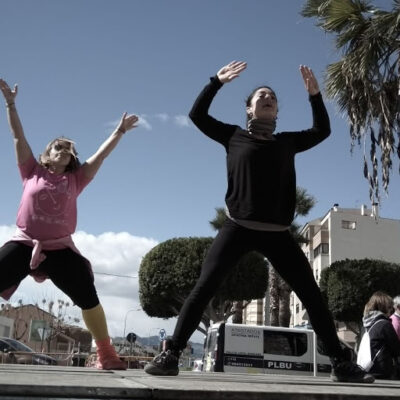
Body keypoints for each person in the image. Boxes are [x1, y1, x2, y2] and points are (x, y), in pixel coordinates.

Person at [144, 61, 374, 383]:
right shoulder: (232, 136)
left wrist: (315, 96)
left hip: (278, 234)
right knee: (204, 287)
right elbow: (197, 116)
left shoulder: (287, 143)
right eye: (261, 96)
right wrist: (215, 82)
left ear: (276, 112)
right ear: (249, 109)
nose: (268, 98)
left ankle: (339, 362)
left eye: (273, 98)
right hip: (237, 227)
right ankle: (171, 354)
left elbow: (322, 130)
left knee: (311, 294)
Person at [0, 78, 138, 370]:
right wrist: (11, 104)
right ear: (46, 155)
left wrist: (119, 131)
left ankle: (106, 355)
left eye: (68, 149)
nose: (63, 150)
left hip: (60, 248)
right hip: (24, 242)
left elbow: (100, 156)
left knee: (88, 296)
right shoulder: (31, 171)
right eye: (57, 147)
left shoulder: (77, 179)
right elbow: (17, 137)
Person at [360, 291, 400, 379]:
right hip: (382, 371)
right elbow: (397, 349)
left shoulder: (366, 324)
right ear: (384, 307)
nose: (391, 310)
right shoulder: (384, 324)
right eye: (390, 307)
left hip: (367, 369)